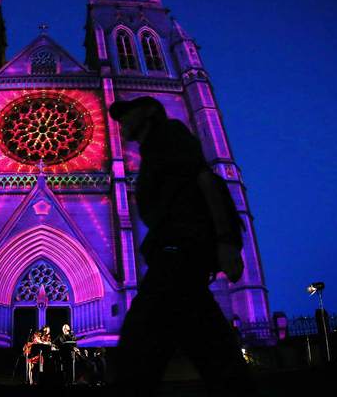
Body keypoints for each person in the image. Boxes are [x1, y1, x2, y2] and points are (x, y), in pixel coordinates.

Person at [109, 96, 255, 396]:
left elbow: (204, 179)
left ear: (149, 112)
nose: (120, 122)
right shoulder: (153, 147)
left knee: (139, 343)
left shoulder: (169, 135)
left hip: (179, 252)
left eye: (127, 114)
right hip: (178, 253)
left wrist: (227, 241)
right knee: (209, 343)